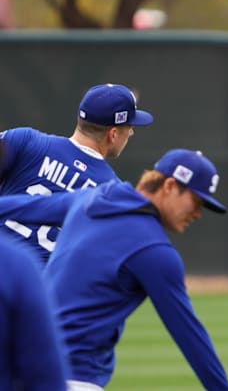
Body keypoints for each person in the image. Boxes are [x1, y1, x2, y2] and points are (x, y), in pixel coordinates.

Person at [0, 149, 228, 390]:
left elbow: (24, 206)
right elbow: (190, 336)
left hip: (26, 368)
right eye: (196, 202)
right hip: (76, 378)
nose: (197, 214)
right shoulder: (154, 251)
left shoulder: (91, 199)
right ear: (170, 186)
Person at [0, 83, 153, 265]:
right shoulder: (113, 193)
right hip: (40, 288)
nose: (132, 132)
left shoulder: (25, 140)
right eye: (130, 127)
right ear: (112, 134)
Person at [0, 143, 68, 390]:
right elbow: (45, 378)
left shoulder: (28, 141)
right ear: (114, 134)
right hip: (40, 283)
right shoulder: (18, 265)